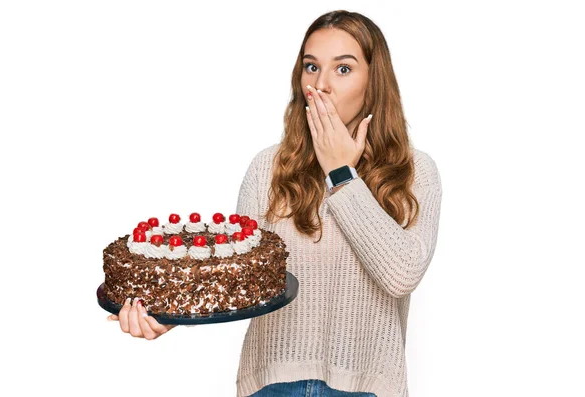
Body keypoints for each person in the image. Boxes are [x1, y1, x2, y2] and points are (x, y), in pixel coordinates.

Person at [108, 9, 442, 397]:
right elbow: (238, 277)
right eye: (311, 67)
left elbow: (400, 276)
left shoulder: (416, 172)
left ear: (374, 82)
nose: (322, 85)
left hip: (366, 389)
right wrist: (171, 313)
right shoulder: (268, 167)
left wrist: (341, 175)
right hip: (270, 384)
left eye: (344, 69)